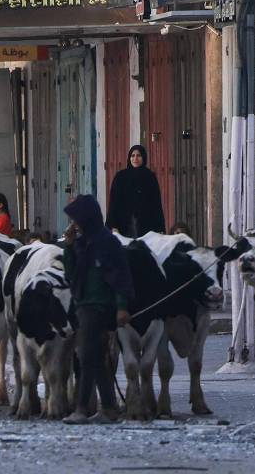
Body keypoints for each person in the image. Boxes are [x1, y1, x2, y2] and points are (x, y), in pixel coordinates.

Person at [61, 195, 134, 425]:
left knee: (86, 356)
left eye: (76, 219)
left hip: (100, 306)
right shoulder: (83, 243)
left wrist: (122, 306)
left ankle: (81, 408)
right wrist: (69, 247)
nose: (74, 225)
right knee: (98, 357)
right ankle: (110, 408)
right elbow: (71, 275)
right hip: (83, 305)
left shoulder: (107, 242)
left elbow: (120, 276)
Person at [106, 145, 165, 239]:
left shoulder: (150, 177)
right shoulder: (121, 177)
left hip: (146, 224)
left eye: (138, 155)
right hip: (124, 223)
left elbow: (156, 204)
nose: (135, 158)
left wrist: (160, 227)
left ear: (144, 158)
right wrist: (113, 225)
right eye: (132, 156)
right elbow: (114, 202)